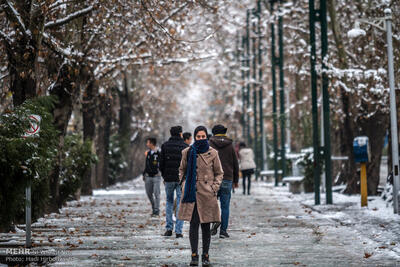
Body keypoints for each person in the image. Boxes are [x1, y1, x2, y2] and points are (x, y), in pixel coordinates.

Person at [178, 126, 224, 267]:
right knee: (193, 225)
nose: (201, 139)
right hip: (192, 193)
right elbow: (182, 170)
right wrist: (184, 185)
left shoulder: (213, 153)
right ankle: (194, 255)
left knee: (205, 226)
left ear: (207, 137)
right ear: (195, 137)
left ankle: (205, 255)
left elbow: (219, 173)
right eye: (198, 137)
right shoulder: (187, 152)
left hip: (207, 194)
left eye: (203, 136)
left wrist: (214, 187)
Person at [209, 124, 239, 239]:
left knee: (212, 204)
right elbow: (235, 163)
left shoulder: (209, 144)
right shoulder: (230, 145)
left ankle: (214, 223)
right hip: (227, 178)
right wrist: (236, 180)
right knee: (225, 206)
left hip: (213, 179)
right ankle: (223, 231)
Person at [159, 126, 188, 238]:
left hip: (169, 179)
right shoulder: (185, 146)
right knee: (180, 203)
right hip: (181, 179)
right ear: (180, 134)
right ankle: (179, 230)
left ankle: (169, 228)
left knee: (169, 202)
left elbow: (161, 164)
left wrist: (164, 175)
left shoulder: (165, 146)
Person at [143, 137, 161, 216]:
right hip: (148, 176)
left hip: (156, 176)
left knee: (156, 193)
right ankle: (154, 207)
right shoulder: (148, 153)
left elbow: (162, 163)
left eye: (148, 142)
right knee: (149, 193)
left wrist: (160, 171)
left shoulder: (159, 152)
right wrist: (144, 173)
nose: (147, 144)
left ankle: (156, 210)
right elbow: (146, 164)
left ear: (152, 143)